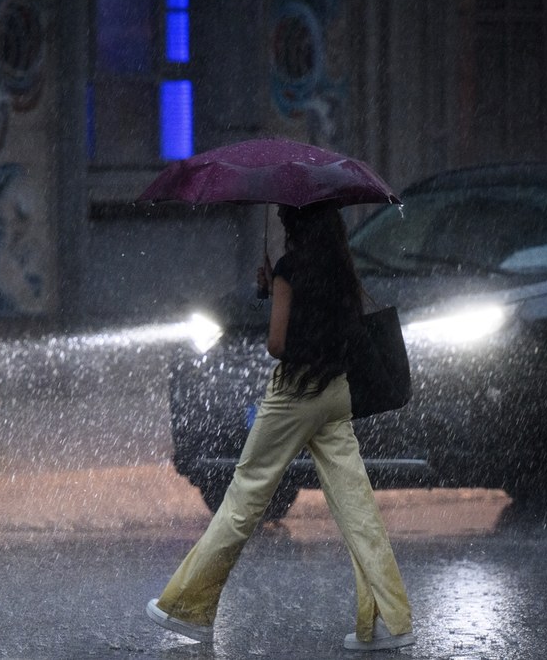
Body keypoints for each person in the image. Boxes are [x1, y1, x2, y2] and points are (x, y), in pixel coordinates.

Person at [146, 202, 415, 651]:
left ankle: (188, 608)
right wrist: (278, 290)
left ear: (292, 223)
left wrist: (279, 290)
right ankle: (390, 620)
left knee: (244, 497)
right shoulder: (341, 270)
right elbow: (332, 327)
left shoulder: (291, 267)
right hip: (334, 394)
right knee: (356, 509)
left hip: (293, 395)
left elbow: (276, 345)